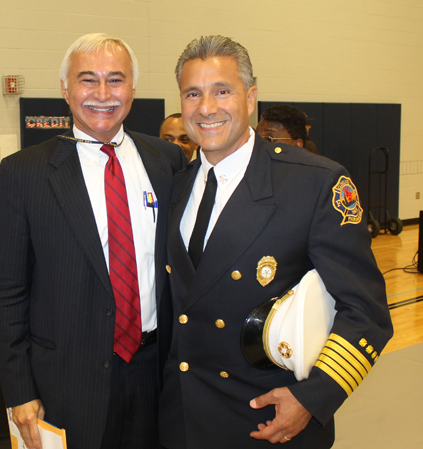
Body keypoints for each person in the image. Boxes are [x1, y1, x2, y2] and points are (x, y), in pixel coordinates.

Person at [158, 35, 393, 449]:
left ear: (250, 99)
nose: (207, 107)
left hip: (269, 422)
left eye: (222, 91)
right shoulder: (175, 187)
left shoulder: (314, 183)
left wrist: (313, 397)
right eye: (193, 93)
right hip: (183, 419)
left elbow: (366, 312)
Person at [0, 33, 186, 449]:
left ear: (133, 89)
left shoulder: (166, 161)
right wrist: (19, 390)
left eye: (115, 80)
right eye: (87, 80)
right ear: (65, 89)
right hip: (65, 380)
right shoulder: (24, 173)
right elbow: (9, 291)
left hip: (155, 370)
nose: (103, 94)